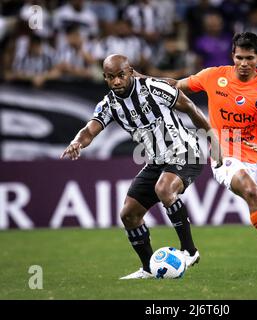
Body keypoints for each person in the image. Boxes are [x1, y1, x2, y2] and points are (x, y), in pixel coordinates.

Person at [60, 54, 222, 279]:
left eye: (120, 76)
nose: (116, 82)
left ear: (130, 72)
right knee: (129, 214)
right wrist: (77, 141)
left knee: (164, 189)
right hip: (157, 161)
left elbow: (190, 107)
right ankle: (148, 268)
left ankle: (190, 251)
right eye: (110, 77)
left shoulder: (153, 88)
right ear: (105, 78)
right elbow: (90, 129)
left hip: (187, 152)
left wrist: (212, 141)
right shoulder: (109, 104)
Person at [163, 32, 257, 272]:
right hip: (224, 154)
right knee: (250, 191)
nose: (244, 63)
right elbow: (176, 84)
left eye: (249, 58)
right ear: (233, 56)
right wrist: (141, 79)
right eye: (239, 57)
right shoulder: (213, 76)